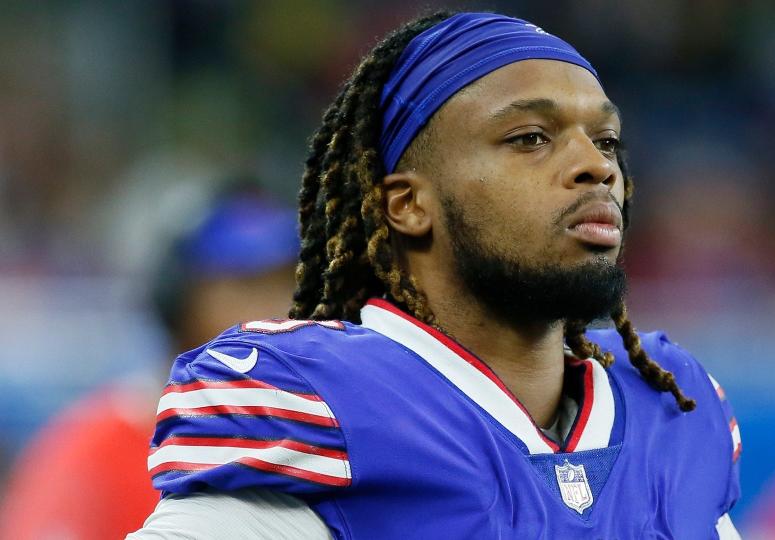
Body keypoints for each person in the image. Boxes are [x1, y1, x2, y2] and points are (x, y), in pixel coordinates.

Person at [129, 11, 742, 539]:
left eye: (606, 141)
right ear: (408, 205)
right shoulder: (323, 403)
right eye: (530, 138)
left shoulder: (672, 404)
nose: (594, 167)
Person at [0, 188, 299, 540]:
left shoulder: (320, 445)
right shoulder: (95, 447)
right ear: (179, 300)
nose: (277, 311)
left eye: (291, 286)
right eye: (247, 285)